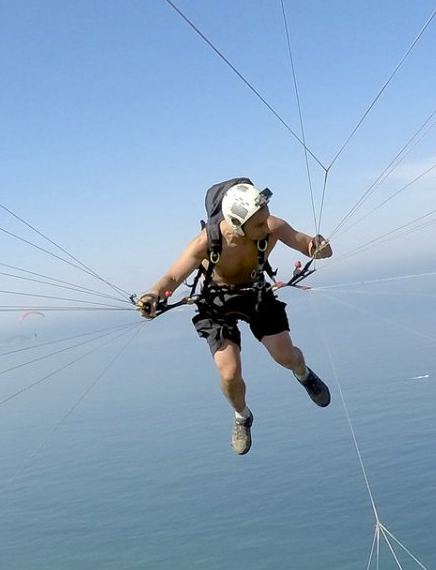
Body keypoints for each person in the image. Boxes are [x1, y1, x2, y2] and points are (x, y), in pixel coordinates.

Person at [136, 182, 333, 454]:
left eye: (266, 216)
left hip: (256, 293)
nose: (267, 226)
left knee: (286, 356)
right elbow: (172, 277)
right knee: (229, 373)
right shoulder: (207, 241)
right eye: (259, 224)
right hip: (215, 301)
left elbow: (303, 242)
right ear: (238, 224)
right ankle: (242, 416)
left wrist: (318, 247)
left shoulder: (271, 224)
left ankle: (304, 374)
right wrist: (153, 295)